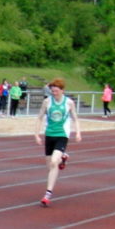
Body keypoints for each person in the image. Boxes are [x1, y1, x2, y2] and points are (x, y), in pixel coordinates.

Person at [34, 78, 82, 207]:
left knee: (55, 162)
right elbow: (39, 118)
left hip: (62, 134)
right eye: (52, 91)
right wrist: (37, 134)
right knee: (50, 166)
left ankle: (47, 194)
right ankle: (64, 157)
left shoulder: (69, 103)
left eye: (56, 91)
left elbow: (75, 118)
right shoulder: (47, 102)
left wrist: (78, 133)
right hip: (49, 134)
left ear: (62, 90)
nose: (54, 93)